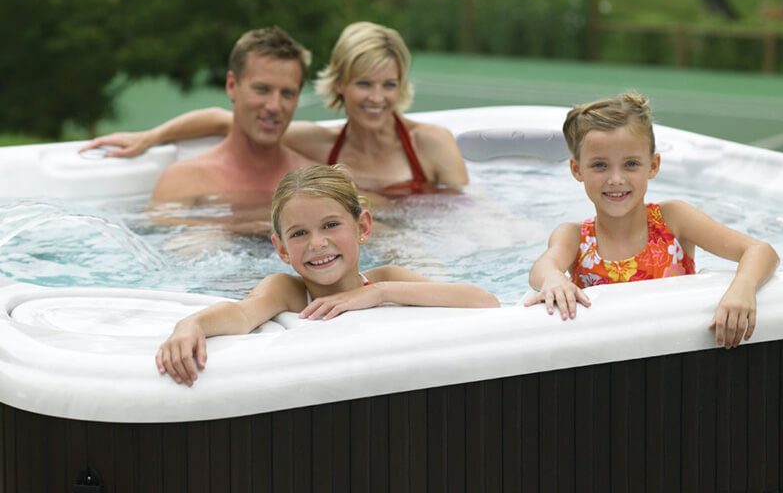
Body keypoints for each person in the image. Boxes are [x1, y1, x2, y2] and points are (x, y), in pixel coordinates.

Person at [156, 164, 499, 386]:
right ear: (281, 249)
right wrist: (191, 324)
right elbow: (243, 314)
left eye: (331, 225)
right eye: (299, 233)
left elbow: (484, 301)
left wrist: (379, 293)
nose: (317, 244)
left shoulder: (387, 279)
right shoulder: (287, 290)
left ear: (363, 226)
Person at [82, 22, 468, 196]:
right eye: (364, 83)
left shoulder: (430, 143)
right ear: (340, 85)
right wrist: (152, 137)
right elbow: (226, 121)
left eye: (389, 84)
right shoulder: (318, 147)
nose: (377, 98)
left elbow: (465, 213)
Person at [526, 93, 779, 349]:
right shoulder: (575, 236)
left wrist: (742, 288)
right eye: (600, 165)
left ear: (653, 165)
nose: (616, 179)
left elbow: (761, 251)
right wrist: (553, 279)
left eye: (631, 164)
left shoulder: (674, 220)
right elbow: (543, 267)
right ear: (577, 170)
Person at [148, 27, 315, 202]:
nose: (274, 106)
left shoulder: (315, 185)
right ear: (231, 86)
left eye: (287, 93)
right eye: (262, 89)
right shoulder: (186, 181)